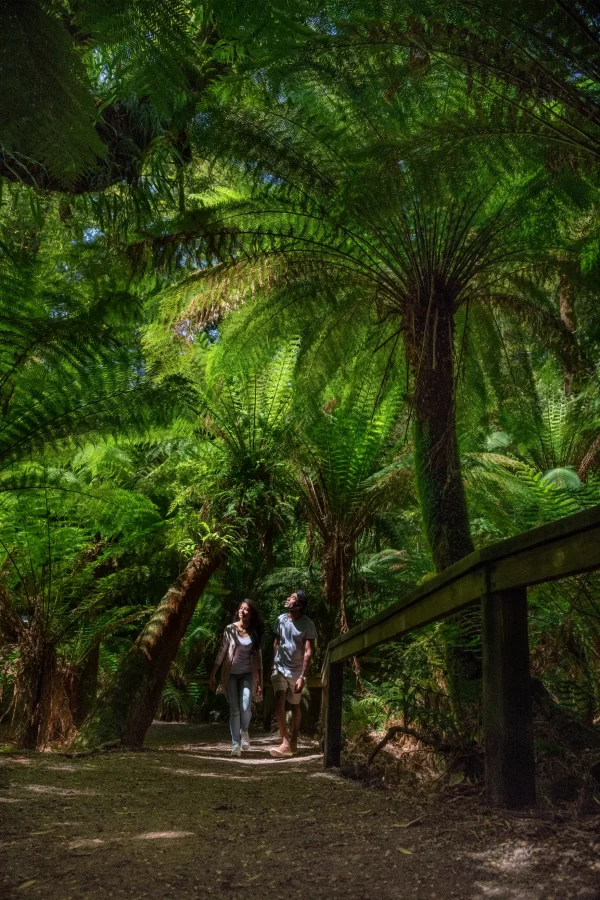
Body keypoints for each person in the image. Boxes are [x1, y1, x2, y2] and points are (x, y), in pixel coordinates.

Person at [209, 599, 264, 757]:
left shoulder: (254, 632)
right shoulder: (230, 629)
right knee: (234, 709)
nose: (242, 611)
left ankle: (244, 730)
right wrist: (213, 673)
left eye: (246, 609)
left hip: (248, 674)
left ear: (251, 613)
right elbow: (221, 652)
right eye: (241, 608)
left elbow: (259, 659)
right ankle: (235, 745)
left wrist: (259, 681)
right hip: (230, 674)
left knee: (246, 705)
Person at [269, 589, 317, 758]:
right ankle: (285, 742)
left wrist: (302, 676)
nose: (288, 599)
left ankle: (295, 739)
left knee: (295, 705)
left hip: (296, 671)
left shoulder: (308, 624)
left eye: (292, 598)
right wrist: (274, 663)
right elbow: (276, 642)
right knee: (279, 700)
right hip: (279, 668)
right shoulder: (280, 620)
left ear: (299, 604)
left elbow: (308, 652)